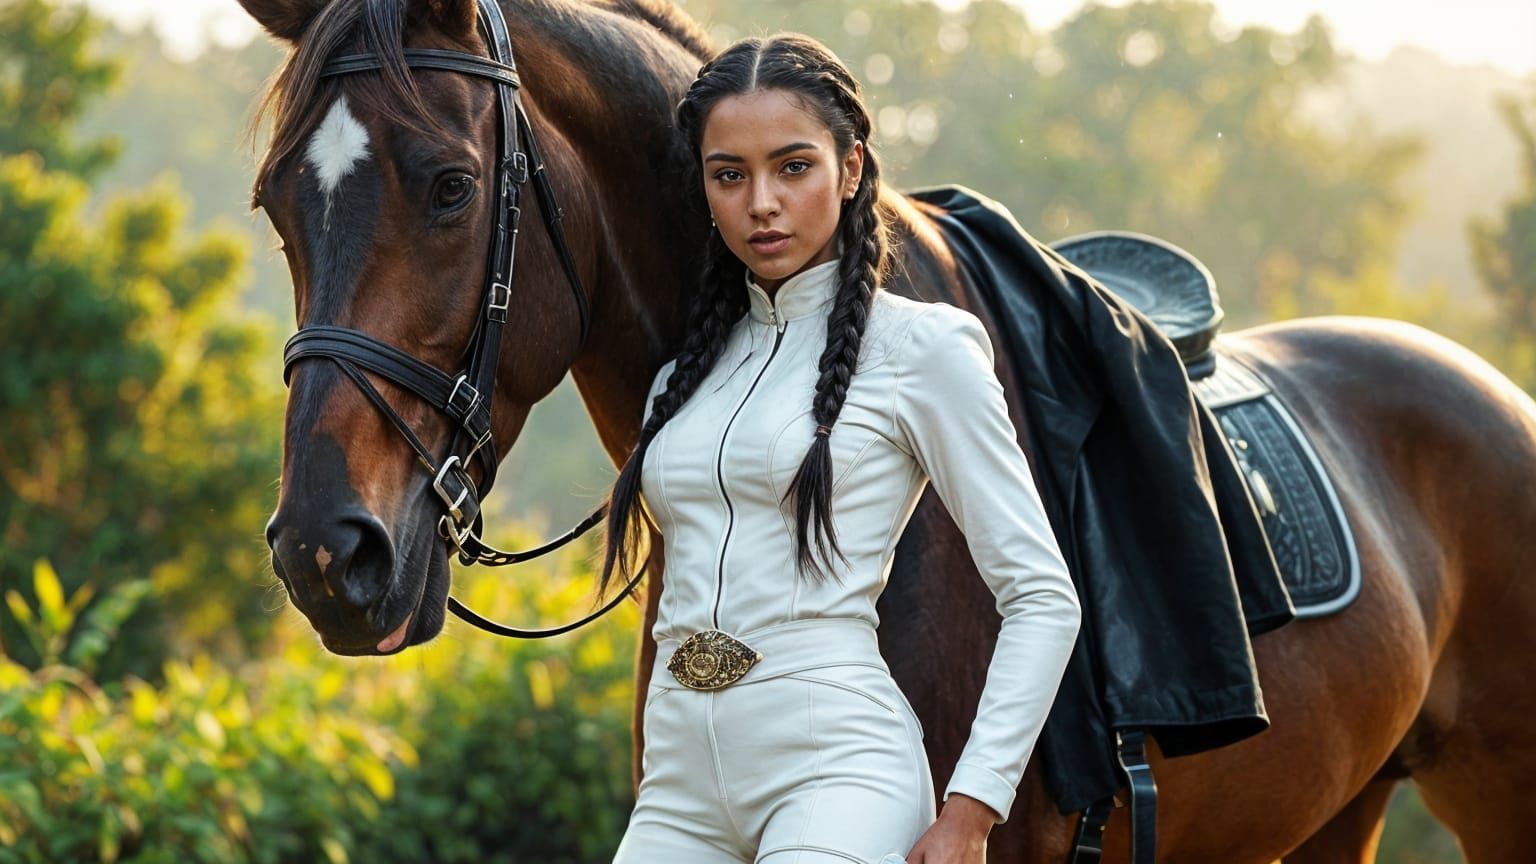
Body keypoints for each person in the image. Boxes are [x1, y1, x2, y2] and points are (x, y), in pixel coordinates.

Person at [599, 32, 1082, 864]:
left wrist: (971, 811)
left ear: (850, 169)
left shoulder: (921, 351)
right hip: (678, 793)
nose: (761, 203)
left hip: (838, 776)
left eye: (793, 167)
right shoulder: (680, 379)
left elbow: (1042, 597)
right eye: (729, 175)